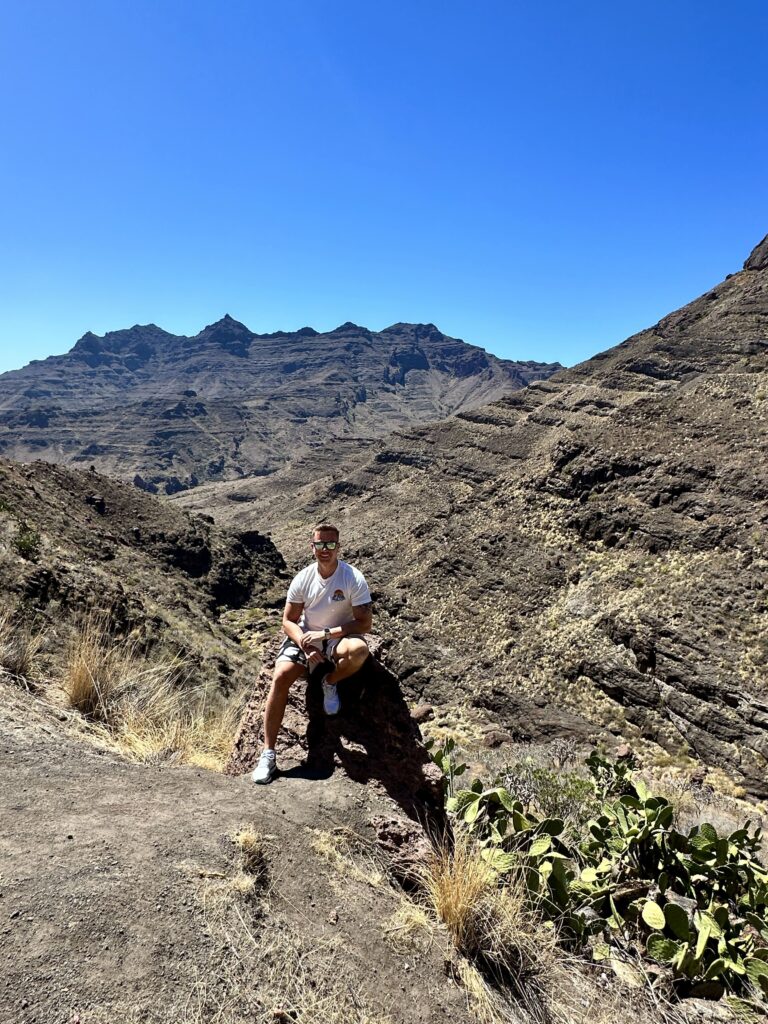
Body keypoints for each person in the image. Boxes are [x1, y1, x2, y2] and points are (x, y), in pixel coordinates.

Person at [251, 523, 372, 784]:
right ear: (312, 547)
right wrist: (306, 645)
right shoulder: (303, 578)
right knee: (281, 676)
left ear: (339, 547)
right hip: (307, 637)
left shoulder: (353, 578)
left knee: (359, 651)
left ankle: (330, 682)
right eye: (320, 544)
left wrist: (326, 635)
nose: (325, 550)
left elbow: (365, 624)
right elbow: (288, 621)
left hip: (336, 637)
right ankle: (268, 754)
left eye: (330, 544)